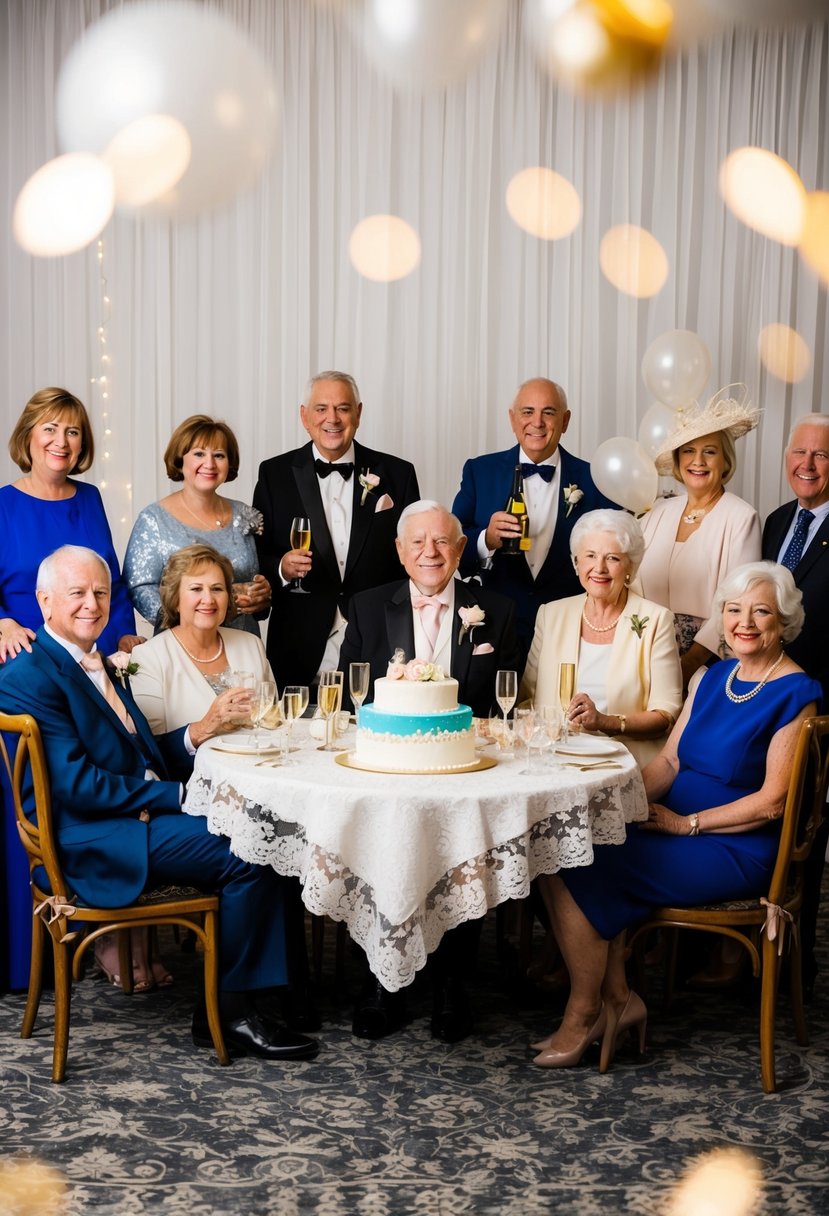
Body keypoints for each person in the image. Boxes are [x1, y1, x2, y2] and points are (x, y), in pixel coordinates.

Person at [0, 545, 318, 1061]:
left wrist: (191, 742)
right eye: (76, 593)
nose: (91, 604)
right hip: (95, 836)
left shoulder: (98, 662)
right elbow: (77, 786)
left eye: (100, 593)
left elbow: (139, 753)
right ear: (44, 602)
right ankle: (230, 1013)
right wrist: (178, 794)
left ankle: (260, 996)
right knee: (254, 848)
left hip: (132, 814)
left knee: (271, 828)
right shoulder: (30, 677)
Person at [530, 561, 820, 1071]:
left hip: (733, 845)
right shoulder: (712, 676)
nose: (744, 623)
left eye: (760, 612)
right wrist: (615, 806)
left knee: (576, 861)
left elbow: (774, 800)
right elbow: (669, 762)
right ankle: (616, 1000)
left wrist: (687, 824)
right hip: (675, 825)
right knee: (562, 842)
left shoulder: (796, 693)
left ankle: (586, 1010)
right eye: (733, 610)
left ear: (784, 622)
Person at [339, 501, 522, 1042]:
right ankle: (381, 985)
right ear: (399, 551)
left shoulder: (499, 609)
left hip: (464, 770)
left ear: (462, 549)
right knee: (374, 851)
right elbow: (354, 703)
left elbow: (505, 703)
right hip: (386, 771)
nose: (430, 552)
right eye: (417, 542)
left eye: (442, 542)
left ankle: (450, 986)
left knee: (459, 858)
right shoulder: (369, 607)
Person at [0, 387, 140, 994]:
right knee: (41, 795)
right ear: (28, 436)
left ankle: (108, 926)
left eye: (74, 432)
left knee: (116, 761)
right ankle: (37, 948)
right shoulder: (2, 504)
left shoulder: (90, 498)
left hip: (89, 662)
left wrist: (126, 637)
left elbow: (109, 582)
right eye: (51, 429)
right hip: (24, 668)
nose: (62, 442)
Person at [253, 371, 420, 691]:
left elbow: (412, 559)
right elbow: (256, 555)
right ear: (304, 416)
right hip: (298, 643)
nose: (333, 418)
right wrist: (282, 568)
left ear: (358, 413)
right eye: (321, 408)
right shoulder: (274, 474)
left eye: (343, 408)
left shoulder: (399, 474)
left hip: (377, 643)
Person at [452, 377, 616, 658]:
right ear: (513, 419)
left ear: (565, 421)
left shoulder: (595, 479)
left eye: (548, 412)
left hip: (571, 632)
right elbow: (452, 547)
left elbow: (613, 556)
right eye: (527, 412)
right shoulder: (480, 471)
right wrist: (486, 539)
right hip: (494, 628)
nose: (537, 422)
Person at [521, 510, 682, 768]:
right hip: (553, 760)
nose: (600, 568)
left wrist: (605, 721)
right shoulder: (551, 614)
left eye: (613, 558)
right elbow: (527, 699)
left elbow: (666, 715)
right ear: (576, 563)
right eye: (590, 556)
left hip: (622, 762)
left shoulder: (655, 620)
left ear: (631, 566)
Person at [762, 413, 829, 999]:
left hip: (817, 709)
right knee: (762, 818)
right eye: (798, 453)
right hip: (763, 700)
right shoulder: (780, 521)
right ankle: (753, 959)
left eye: (821, 455)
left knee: (802, 839)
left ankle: (795, 971)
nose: (806, 465)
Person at [638, 386, 762, 690]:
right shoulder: (657, 512)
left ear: (725, 461)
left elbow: (736, 604)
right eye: (689, 451)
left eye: (710, 451)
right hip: (645, 651)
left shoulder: (742, 518)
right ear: (679, 461)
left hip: (706, 663)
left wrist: (687, 665)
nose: (699, 461)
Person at [129, 545, 273, 782]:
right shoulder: (148, 657)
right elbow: (150, 753)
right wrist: (204, 726)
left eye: (217, 588)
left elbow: (273, 720)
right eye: (196, 589)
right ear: (175, 599)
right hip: (190, 789)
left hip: (260, 780)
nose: (208, 599)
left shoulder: (251, 645)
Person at [124, 415, 270, 636]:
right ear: (180, 459)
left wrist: (262, 596)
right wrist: (186, 620)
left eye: (219, 455)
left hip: (243, 643)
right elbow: (138, 588)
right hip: (181, 645)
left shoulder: (244, 514)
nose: (209, 464)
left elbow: (253, 579)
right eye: (199, 454)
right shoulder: (154, 519)